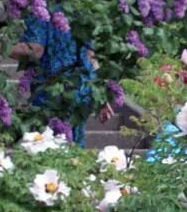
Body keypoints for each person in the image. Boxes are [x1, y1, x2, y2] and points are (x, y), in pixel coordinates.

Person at [10, 12, 113, 146]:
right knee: (74, 143)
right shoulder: (78, 10)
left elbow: (36, 50)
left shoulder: (41, 9)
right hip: (83, 88)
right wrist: (102, 94)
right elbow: (90, 56)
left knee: (48, 143)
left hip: (53, 90)